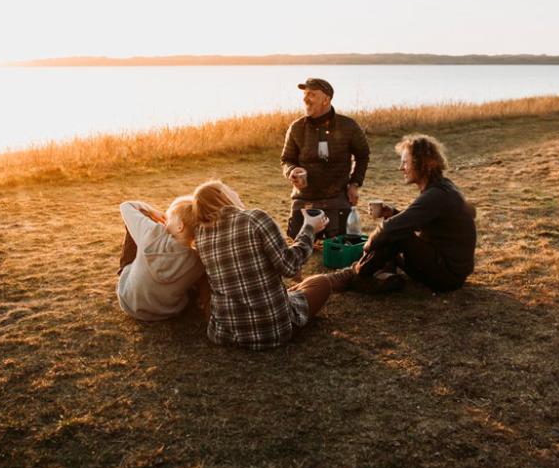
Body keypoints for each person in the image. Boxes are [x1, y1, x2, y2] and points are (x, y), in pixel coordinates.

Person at [192, 180, 353, 350]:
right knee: (321, 283)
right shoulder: (255, 218)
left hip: (225, 334)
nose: (236, 194)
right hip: (272, 331)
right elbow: (289, 267)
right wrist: (309, 228)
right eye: (230, 190)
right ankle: (345, 275)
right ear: (222, 197)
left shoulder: (200, 234)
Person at [353, 134, 476, 293]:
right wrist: (393, 212)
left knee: (394, 233)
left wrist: (369, 244)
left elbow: (390, 228)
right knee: (396, 230)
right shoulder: (441, 187)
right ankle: (382, 273)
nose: (401, 168)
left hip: (448, 276)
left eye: (405, 162)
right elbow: (421, 221)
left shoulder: (437, 195)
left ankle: (359, 274)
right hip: (450, 269)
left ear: (422, 164)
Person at [281, 77, 370, 239]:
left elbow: (363, 155)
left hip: (337, 197)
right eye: (305, 94)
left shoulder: (348, 126)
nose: (305, 99)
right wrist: (293, 171)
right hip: (304, 197)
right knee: (297, 236)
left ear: (326, 99)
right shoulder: (296, 127)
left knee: (340, 236)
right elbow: (286, 160)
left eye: (311, 94)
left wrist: (354, 183)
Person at [116, 196, 208, 321]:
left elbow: (126, 206)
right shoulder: (198, 261)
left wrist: (153, 212)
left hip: (129, 303)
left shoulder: (154, 234)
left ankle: (127, 275)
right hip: (165, 313)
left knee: (142, 213)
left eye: (169, 219)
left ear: (180, 226)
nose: (165, 222)